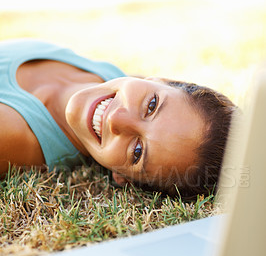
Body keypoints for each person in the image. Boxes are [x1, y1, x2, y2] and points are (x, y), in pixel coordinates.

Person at [0, 39, 236, 198]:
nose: (117, 118)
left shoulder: (13, 134)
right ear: (158, 79)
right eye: (152, 106)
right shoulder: (112, 78)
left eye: (137, 151)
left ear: (123, 177)